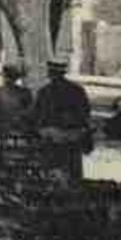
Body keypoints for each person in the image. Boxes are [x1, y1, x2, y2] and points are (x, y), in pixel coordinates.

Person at [32, 55, 92, 183]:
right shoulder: (77, 90)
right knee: (74, 166)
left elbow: (37, 115)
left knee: (53, 166)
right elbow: (85, 112)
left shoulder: (44, 92)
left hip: (52, 136)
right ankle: (74, 186)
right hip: (73, 135)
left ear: (50, 73)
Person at [0, 62, 34, 139]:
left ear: (3, 76)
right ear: (16, 78)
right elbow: (30, 115)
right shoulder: (25, 92)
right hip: (19, 133)